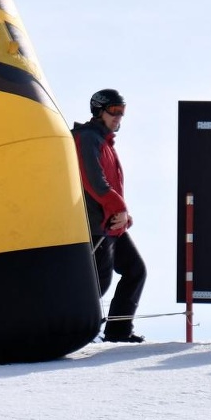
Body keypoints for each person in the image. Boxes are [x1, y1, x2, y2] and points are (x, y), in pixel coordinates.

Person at [73, 88, 147, 342]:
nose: (119, 117)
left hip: (113, 224)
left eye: (122, 112)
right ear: (98, 111)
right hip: (96, 225)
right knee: (98, 285)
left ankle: (118, 331)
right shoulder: (86, 138)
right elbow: (94, 181)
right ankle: (72, 331)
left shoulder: (104, 142)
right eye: (114, 111)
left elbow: (110, 185)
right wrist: (118, 209)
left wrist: (124, 214)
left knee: (135, 270)